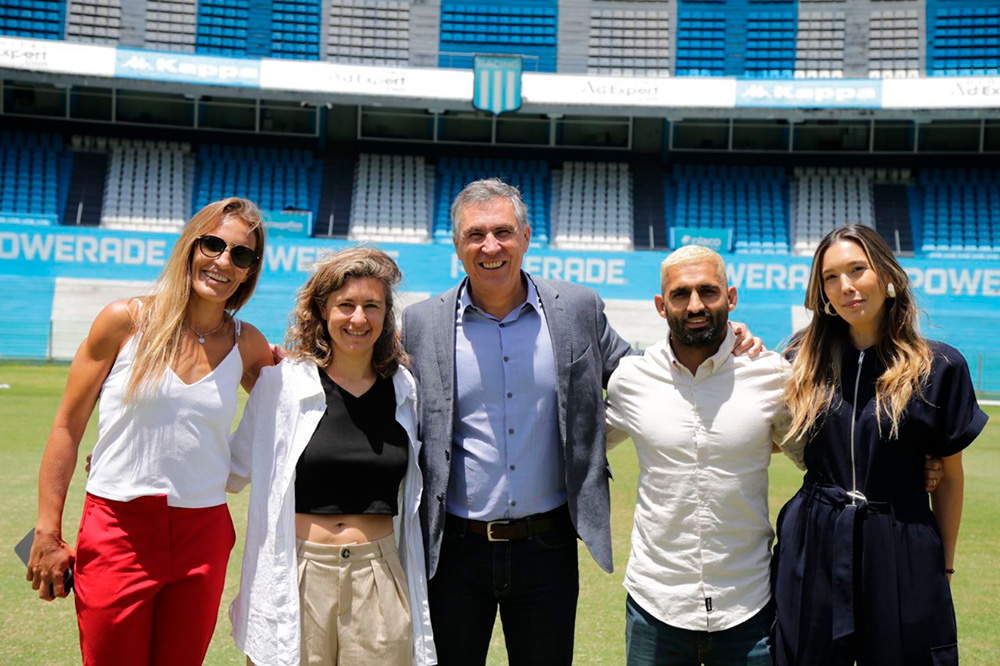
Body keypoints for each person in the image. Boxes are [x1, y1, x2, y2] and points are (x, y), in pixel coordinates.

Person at [400, 179, 761, 665]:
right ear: (457, 244)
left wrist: (725, 341)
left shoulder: (577, 309)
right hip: (454, 550)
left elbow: (642, 374)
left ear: (526, 237)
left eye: (503, 232)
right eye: (476, 234)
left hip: (546, 550)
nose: (491, 246)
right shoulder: (422, 322)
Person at [26, 197, 274, 665]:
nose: (223, 261)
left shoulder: (249, 345)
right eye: (213, 244)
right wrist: (46, 531)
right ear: (191, 245)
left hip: (203, 536)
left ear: (249, 271)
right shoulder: (126, 320)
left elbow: (300, 395)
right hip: (117, 528)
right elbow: (66, 426)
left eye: (241, 255)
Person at [772, 225, 988, 666]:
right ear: (821, 291)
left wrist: (942, 564)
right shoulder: (799, 359)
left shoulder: (940, 366)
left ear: (887, 276)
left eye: (857, 269)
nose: (845, 286)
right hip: (814, 537)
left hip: (902, 540)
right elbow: (767, 435)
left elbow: (948, 477)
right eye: (830, 277)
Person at [228, 246, 436, 666]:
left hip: (379, 575)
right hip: (298, 574)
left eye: (371, 306)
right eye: (346, 305)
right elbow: (230, 469)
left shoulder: (406, 392)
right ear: (322, 311)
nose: (358, 319)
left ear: (385, 314)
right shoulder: (282, 386)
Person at [605, 245, 803, 666]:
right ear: (661, 305)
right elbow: (577, 448)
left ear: (730, 298)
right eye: (681, 294)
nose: (695, 305)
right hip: (655, 605)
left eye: (708, 292)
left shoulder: (771, 375)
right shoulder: (631, 380)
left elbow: (820, 457)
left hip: (748, 606)